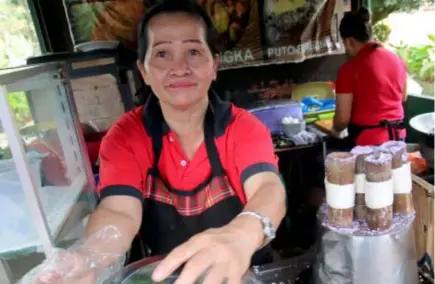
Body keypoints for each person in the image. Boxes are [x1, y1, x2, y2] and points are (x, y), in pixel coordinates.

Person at [35, 1, 286, 283]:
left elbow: (267, 187)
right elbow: (118, 210)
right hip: (168, 277)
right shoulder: (125, 137)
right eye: (163, 53)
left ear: (214, 65)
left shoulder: (242, 128)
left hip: (243, 273)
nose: (180, 67)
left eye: (193, 51)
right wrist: (88, 257)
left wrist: (244, 232)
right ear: (143, 71)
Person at [332, 7, 407, 148]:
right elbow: (403, 97)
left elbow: (342, 119)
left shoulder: (349, 69)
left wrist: (335, 130)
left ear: (348, 41)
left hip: (368, 143)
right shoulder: (397, 60)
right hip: (398, 138)